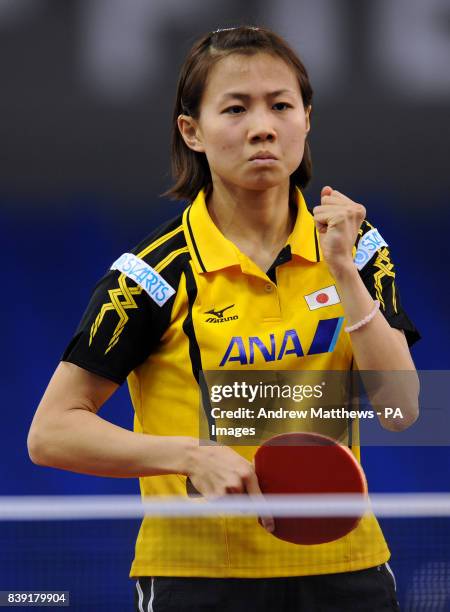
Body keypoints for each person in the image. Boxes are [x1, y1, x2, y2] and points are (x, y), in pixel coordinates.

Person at [27, 25, 421, 611]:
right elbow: (51, 431)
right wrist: (188, 455)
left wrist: (343, 274)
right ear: (193, 131)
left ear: (305, 119)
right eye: (235, 108)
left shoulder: (358, 248)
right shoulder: (152, 275)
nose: (262, 126)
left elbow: (401, 410)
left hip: (347, 568)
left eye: (280, 105)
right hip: (200, 578)